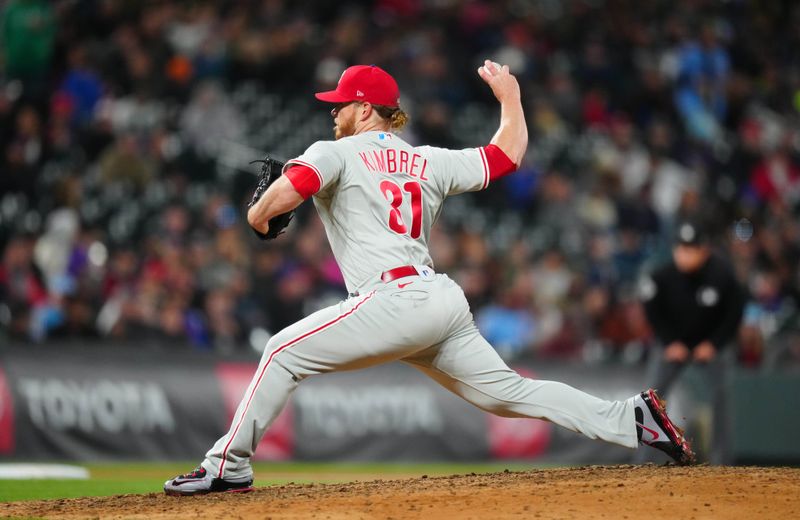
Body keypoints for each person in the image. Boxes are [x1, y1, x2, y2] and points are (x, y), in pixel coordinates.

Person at [164, 61, 694, 496]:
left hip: (391, 298)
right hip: (439, 301)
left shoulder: (334, 152)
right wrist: (510, 97)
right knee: (509, 392)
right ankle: (634, 418)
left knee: (281, 351)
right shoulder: (427, 160)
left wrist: (260, 215)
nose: (333, 113)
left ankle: (227, 466)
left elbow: (272, 206)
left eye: (341, 104)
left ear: (365, 108)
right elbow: (505, 156)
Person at [640, 218, 745, 464]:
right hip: (672, 345)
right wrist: (669, 342)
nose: (685, 255)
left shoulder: (722, 275)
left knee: (721, 398)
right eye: (681, 248)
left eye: (691, 249)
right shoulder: (662, 276)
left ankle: (721, 461)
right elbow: (652, 311)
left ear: (704, 250)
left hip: (710, 346)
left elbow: (734, 313)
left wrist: (714, 344)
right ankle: (643, 460)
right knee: (650, 398)